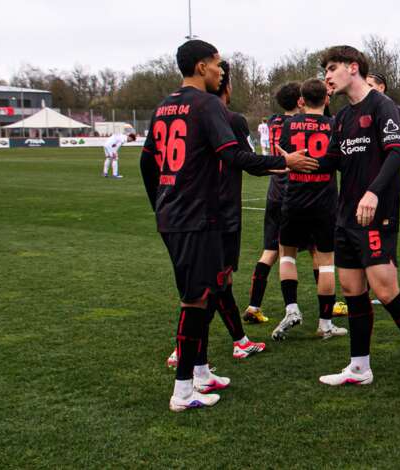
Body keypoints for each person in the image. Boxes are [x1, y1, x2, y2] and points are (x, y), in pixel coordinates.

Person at [139, 39, 317, 412]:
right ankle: (183, 389)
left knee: (205, 293)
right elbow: (235, 155)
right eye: (217, 64)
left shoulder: (164, 105)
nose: (221, 71)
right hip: (197, 216)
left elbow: (147, 161)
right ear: (202, 66)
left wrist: (160, 200)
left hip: (175, 214)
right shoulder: (205, 105)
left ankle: (201, 372)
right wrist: (286, 163)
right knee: (196, 301)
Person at [316, 45, 400, 398]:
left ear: (352, 67)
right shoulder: (341, 117)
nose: (326, 75)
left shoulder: (382, 106)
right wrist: (293, 163)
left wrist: (373, 193)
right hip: (346, 217)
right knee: (354, 292)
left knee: (386, 292)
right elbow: (330, 162)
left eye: (331, 68)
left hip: (376, 215)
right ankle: (359, 367)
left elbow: (396, 153)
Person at [165, 60, 266, 369]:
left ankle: (236, 342)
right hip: (219, 214)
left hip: (185, 211)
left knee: (216, 284)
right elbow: (244, 159)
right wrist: (285, 163)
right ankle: (188, 353)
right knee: (212, 285)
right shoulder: (227, 117)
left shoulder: (174, 108)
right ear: (227, 86)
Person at [271, 78, 347, 340]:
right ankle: (325, 324)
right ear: (327, 99)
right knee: (326, 262)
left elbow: (284, 157)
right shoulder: (335, 124)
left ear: (301, 100)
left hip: (295, 197)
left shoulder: (289, 124)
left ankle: (292, 309)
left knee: (287, 255)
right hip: (325, 200)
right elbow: (339, 160)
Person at [243, 82, 302, 324]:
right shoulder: (297, 125)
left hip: (274, 189)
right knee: (316, 251)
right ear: (300, 101)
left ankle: (253, 305)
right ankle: (321, 314)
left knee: (270, 250)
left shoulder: (274, 121)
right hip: (295, 188)